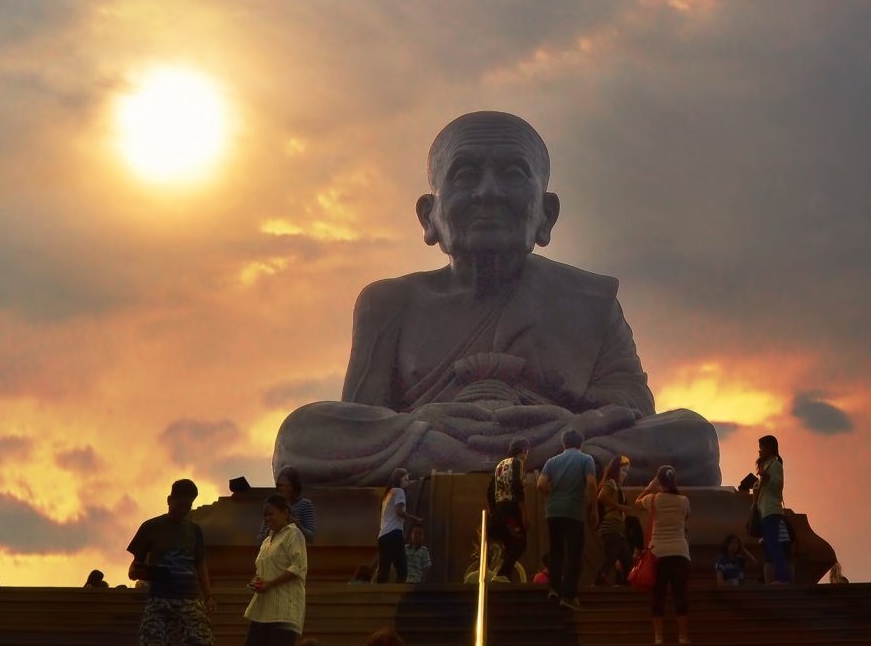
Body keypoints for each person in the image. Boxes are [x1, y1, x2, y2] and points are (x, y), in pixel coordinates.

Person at [272, 111, 721, 488]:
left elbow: (634, 409)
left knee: (693, 438)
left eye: (512, 174)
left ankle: (511, 460)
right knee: (300, 434)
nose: (488, 192)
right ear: (429, 216)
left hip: (553, 440)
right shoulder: (389, 303)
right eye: (465, 175)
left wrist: (564, 425)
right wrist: (428, 422)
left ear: (546, 214)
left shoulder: (589, 299)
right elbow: (363, 420)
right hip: (455, 443)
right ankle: (527, 464)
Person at [126, 478, 216, 646]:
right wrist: (140, 573)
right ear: (169, 500)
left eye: (188, 506)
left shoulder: (194, 531)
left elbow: (200, 564)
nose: (183, 510)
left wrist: (208, 596)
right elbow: (133, 568)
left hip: (190, 598)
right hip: (160, 598)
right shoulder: (151, 528)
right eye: (179, 504)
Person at [232, 494, 309, 646]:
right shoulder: (268, 540)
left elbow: (298, 568)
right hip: (263, 609)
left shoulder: (294, 534)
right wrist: (257, 582)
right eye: (265, 515)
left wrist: (271, 584)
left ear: (285, 512)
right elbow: (262, 569)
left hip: (284, 610)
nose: (267, 518)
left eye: (271, 513)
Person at [536, 428, 597, 609]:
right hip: (574, 511)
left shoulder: (552, 461)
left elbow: (540, 485)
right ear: (581, 444)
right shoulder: (586, 459)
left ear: (563, 444)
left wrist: (553, 494)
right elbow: (592, 484)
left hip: (553, 510)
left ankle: (553, 589)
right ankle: (568, 596)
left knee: (556, 552)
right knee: (574, 554)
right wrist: (593, 509)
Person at [637, 465, 692, 645]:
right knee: (680, 595)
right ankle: (683, 636)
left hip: (658, 553)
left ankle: (658, 637)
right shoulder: (684, 501)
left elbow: (637, 502)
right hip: (680, 552)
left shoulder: (654, 499)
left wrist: (650, 487)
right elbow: (685, 519)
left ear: (659, 481)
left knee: (658, 594)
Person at [489, 438, 529, 580]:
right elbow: (517, 486)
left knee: (509, 543)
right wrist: (524, 512)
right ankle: (502, 574)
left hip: (499, 509)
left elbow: (490, 491)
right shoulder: (518, 463)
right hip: (511, 508)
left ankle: (506, 578)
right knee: (520, 542)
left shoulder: (499, 466)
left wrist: (494, 511)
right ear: (524, 451)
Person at [753, 436, 791, 584]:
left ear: (770, 448)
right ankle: (775, 578)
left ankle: (782, 577)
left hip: (772, 511)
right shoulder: (766, 465)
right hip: (765, 511)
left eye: (762, 447)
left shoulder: (775, 465)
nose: (760, 450)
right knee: (769, 545)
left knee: (774, 545)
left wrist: (768, 478)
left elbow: (778, 486)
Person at [594, 455, 634, 586]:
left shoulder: (615, 486)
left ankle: (624, 583)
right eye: (623, 471)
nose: (625, 475)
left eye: (626, 472)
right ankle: (598, 582)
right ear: (615, 470)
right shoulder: (611, 483)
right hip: (611, 527)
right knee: (611, 558)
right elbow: (602, 497)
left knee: (626, 559)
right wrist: (621, 507)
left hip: (617, 529)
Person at [375, 469, 420, 583]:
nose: (407, 481)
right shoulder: (399, 491)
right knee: (402, 569)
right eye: (405, 479)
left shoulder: (388, 494)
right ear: (398, 479)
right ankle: (399, 596)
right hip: (394, 534)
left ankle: (379, 596)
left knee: (383, 570)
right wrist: (415, 519)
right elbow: (399, 511)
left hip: (382, 535)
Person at [260, 466, 318, 545]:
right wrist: (271, 527)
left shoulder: (305, 504)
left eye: (284, 485)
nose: (281, 489)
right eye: (279, 486)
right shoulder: (272, 506)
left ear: (294, 486)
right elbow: (259, 541)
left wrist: (297, 524)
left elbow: (311, 538)